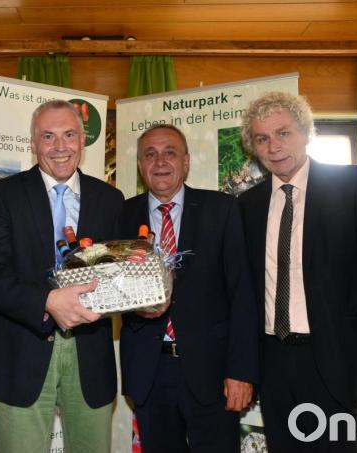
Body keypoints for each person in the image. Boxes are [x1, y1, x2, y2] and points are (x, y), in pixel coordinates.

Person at [237, 91, 357, 452]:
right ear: (253, 147)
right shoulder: (247, 206)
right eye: (262, 138)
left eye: (283, 133)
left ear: (306, 132)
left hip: (342, 364)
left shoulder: (353, 186)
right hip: (275, 365)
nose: (274, 146)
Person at [0, 100, 124, 453]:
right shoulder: (3, 195)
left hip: (90, 358)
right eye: (48, 136)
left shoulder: (110, 199)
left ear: (82, 141)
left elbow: (117, 276)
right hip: (21, 351)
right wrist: (47, 301)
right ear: (33, 143)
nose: (60, 147)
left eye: (69, 135)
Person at [118, 124, 259, 453]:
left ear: (186, 162)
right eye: (150, 154)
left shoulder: (221, 210)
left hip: (213, 373)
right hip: (150, 373)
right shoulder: (123, 214)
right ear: (140, 166)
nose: (160, 161)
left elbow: (243, 295)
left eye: (170, 152)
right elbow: (115, 291)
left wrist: (241, 371)